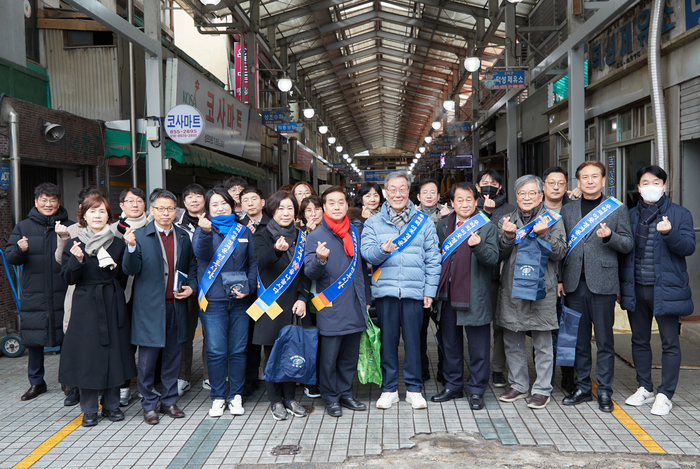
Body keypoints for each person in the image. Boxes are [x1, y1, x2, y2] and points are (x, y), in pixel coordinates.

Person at [360, 171, 441, 410]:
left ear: (409, 191)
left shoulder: (423, 222)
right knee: (388, 342)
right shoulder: (373, 222)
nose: (397, 194)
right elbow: (366, 253)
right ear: (386, 192)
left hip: (414, 292)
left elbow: (433, 259)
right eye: (392, 189)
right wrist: (382, 252)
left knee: (415, 343)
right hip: (385, 291)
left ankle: (414, 390)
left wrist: (430, 290)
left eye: (402, 189)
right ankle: (389, 389)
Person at [620, 165, 695, 416]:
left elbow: (688, 247)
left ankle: (665, 394)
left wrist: (670, 233)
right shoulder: (630, 215)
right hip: (637, 287)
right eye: (644, 182)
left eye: (655, 182)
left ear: (664, 186)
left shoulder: (679, 214)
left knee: (669, 342)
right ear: (638, 187)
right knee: (639, 340)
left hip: (666, 289)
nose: (650, 187)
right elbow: (625, 254)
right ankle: (645, 387)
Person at [561, 161, 633, 413]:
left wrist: (610, 237)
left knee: (604, 341)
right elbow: (561, 246)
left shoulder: (616, 209)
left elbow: (627, 244)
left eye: (595, 176)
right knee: (579, 341)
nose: (590, 181)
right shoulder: (567, 210)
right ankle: (582, 387)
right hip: (573, 284)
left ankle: (604, 390)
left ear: (603, 180)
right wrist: (561, 279)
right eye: (584, 177)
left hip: (603, 283)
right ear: (578, 182)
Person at [59, 196, 136, 427]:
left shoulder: (119, 242)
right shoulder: (75, 244)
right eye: (92, 212)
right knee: (87, 357)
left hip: (111, 301)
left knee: (114, 354)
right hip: (84, 306)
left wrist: (132, 248)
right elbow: (68, 278)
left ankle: (111, 405)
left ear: (108, 216)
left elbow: (124, 276)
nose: (97, 216)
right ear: (83, 216)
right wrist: (77, 260)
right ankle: (90, 409)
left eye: (102, 212)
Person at [122, 189, 198, 425]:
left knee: (173, 357)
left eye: (170, 209)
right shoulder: (140, 235)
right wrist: (131, 247)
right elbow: (130, 269)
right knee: (147, 360)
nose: (166, 213)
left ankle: (169, 401)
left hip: (176, 306)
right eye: (161, 208)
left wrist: (192, 288)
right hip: (149, 309)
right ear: (151, 211)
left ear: (176, 211)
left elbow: (193, 267)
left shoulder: (184, 236)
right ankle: (148, 404)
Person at [496, 175, 566, 409]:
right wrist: (507, 236)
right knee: (512, 337)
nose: (526, 198)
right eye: (522, 194)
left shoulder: (553, 219)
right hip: (513, 287)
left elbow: (561, 252)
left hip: (541, 288)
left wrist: (545, 234)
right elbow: (500, 254)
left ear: (540, 195)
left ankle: (542, 389)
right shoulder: (507, 219)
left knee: (542, 340)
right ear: (516, 197)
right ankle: (518, 384)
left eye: (531, 193)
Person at [432, 182, 499, 409]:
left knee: (479, 346)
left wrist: (478, 246)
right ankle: (453, 386)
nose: (464, 203)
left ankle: (478, 390)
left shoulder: (487, 227)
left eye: (469, 199)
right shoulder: (442, 225)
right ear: (451, 203)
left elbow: (492, 260)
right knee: (450, 344)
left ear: (476, 200)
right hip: (448, 295)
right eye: (459, 199)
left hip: (474, 294)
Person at [6, 183, 74, 401]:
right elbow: (10, 258)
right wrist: (19, 249)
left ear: (58, 202)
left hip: (63, 291)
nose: (48, 204)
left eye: (52, 200)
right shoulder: (23, 228)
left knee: (67, 338)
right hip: (34, 293)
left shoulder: (69, 227)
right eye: (43, 200)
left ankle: (68, 381)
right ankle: (36, 383)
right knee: (35, 340)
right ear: (36, 202)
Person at [304, 186, 369, 417]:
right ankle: (330, 398)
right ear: (324, 208)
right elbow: (309, 272)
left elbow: (362, 269)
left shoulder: (354, 232)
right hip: (329, 306)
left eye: (341, 202)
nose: (337, 207)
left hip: (354, 303)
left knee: (349, 356)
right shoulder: (315, 236)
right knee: (329, 357)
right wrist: (320, 260)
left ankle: (346, 393)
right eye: (332, 203)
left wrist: (366, 299)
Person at [192, 188, 257, 417]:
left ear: (232, 205)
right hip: (213, 302)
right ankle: (218, 396)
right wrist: (206, 232)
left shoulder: (243, 231)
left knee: (239, 350)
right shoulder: (202, 230)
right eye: (215, 205)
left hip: (240, 301)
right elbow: (201, 254)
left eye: (224, 204)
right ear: (208, 210)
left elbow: (252, 264)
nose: (220, 208)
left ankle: (235, 395)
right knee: (217, 351)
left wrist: (249, 289)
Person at [252, 191, 311, 421]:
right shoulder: (262, 235)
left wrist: (302, 298)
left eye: (289, 208)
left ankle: (290, 398)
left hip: (294, 304)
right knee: (273, 355)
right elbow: (261, 262)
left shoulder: (301, 235)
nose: (285, 213)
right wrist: (277, 250)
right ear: (272, 211)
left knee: (292, 353)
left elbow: (306, 272)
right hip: (271, 305)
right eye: (281, 209)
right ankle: (275, 400)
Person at [54, 186, 103, 407]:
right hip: (77, 294)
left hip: (102, 295)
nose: (95, 213)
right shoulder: (72, 231)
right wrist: (63, 239)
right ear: (82, 211)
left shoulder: (109, 231)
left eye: (98, 208)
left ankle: (99, 387)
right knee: (74, 339)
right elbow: (60, 261)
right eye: (89, 208)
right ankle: (73, 388)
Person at [475, 169, 515, 389]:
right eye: (484, 183)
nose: (488, 186)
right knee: (479, 323)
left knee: (501, 324)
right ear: (477, 187)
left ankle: (498, 368)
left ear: (500, 187)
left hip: (503, 276)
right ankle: (476, 366)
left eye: (493, 183)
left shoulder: (511, 209)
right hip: (478, 275)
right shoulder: (471, 207)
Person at [541, 167, 576, 394]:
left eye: (561, 183)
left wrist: (563, 278)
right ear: (543, 185)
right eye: (551, 182)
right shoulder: (534, 209)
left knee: (568, 329)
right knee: (546, 331)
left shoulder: (574, 209)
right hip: (544, 280)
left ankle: (569, 376)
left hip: (571, 279)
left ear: (567, 186)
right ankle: (546, 377)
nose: (556, 187)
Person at [174, 183, 210, 396]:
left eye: (198, 195)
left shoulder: (214, 221)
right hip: (185, 285)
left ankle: (209, 376)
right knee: (184, 333)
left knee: (210, 334)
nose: (194, 200)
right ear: (184, 201)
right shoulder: (176, 223)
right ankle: (182, 377)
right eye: (189, 196)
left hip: (210, 285)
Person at [415, 178, 452, 381]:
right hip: (419, 282)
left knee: (445, 329)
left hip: (444, 280)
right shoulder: (410, 217)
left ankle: (444, 371)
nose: (429, 196)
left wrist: (446, 222)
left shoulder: (452, 217)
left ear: (439, 197)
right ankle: (421, 370)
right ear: (418, 197)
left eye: (433, 192)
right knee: (419, 330)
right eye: (425, 192)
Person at [237, 185, 268, 397]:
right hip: (246, 292)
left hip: (269, 290)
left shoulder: (274, 223)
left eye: (254, 198)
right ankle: (249, 381)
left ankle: (274, 376)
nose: (250, 203)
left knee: (269, 334)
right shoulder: (236, 227)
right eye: (245, 200)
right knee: (248, 338)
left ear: (263, 202)